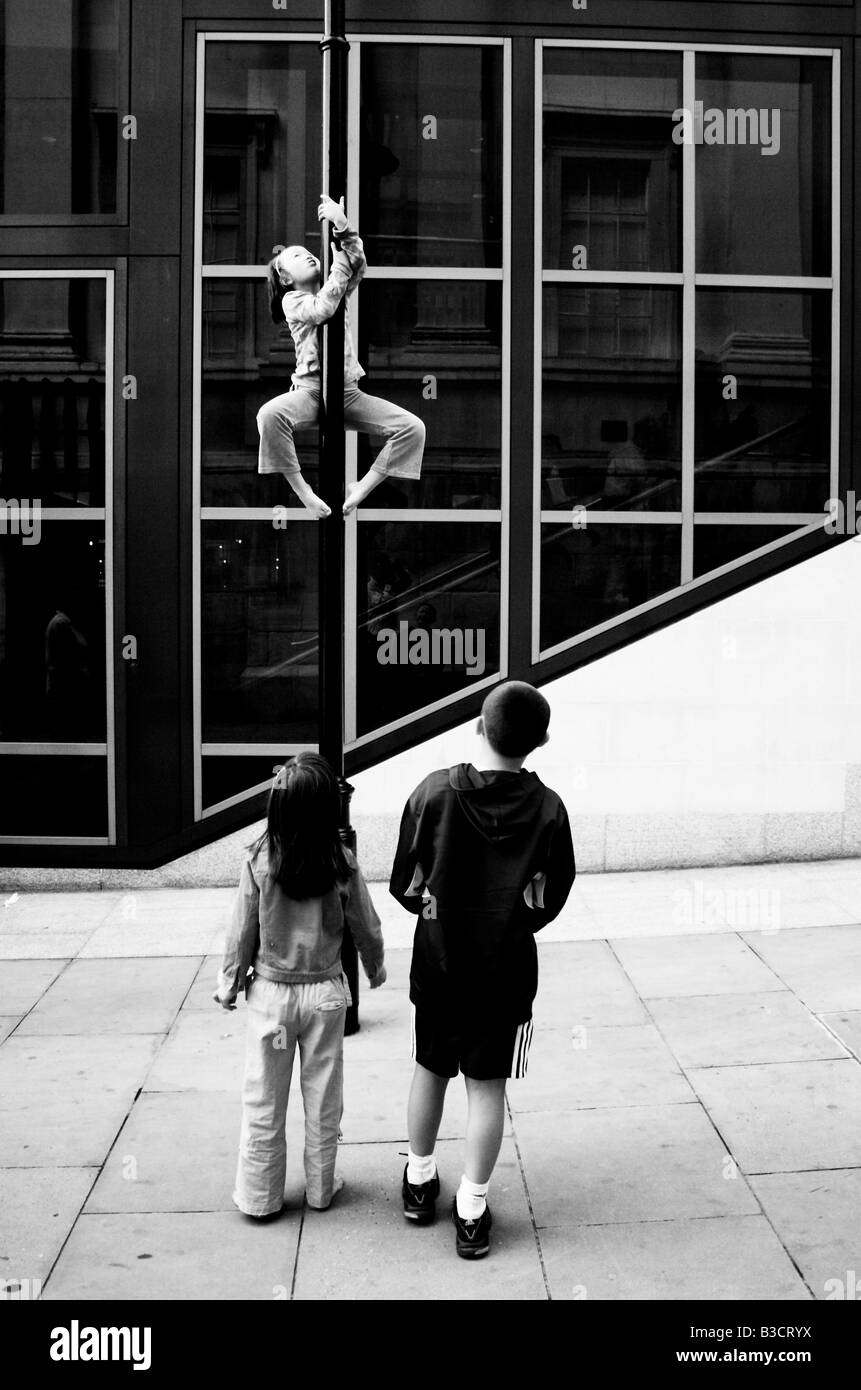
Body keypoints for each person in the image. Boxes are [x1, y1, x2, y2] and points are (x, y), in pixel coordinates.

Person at [389, 681, 576, 1258]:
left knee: (430, 1067)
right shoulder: (548, 808)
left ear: (478, 725)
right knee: (487, 1088)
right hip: (504, 972)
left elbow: (404, 882)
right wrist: (517, 920)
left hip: (440, 966)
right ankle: (472, 1212)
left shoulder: (432, 793)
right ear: (540, 742)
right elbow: (553, 893)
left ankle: (419, 1182)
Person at [214, 752, 386, 1217]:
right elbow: (364, 924)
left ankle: (260, 1197)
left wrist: (230, 983)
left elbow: (241, 929)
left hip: (271, 996)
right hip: (326, 995)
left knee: (263, 1098)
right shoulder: (340, 859)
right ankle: (320, 1190)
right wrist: (375, 966)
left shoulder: (258, 859)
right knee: (324, 1097)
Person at [259, 194, 425, 518]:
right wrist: (338, 265)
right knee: (268, 415)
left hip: (346, 392)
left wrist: (342, 226)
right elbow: (322, 308)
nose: (307, 256)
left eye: (308, 253)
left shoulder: (336, 287)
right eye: (296, 256)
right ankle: (303, 490)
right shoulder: (291, 300)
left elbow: (357, 264)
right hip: (310, 392)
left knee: (413, 428)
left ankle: (362, 487)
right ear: (285, 278)